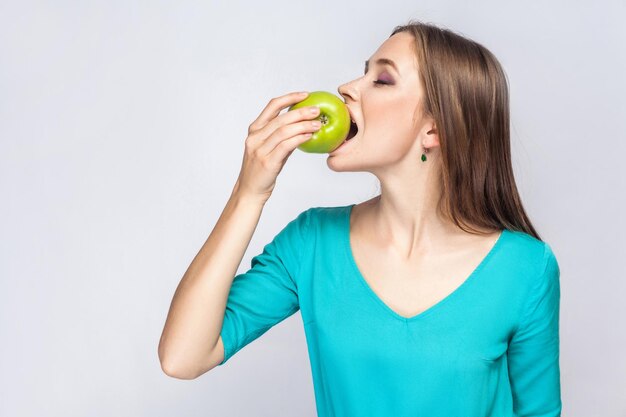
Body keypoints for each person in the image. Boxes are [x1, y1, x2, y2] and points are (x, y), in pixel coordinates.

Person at [158, 19, 562, 417]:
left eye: (381, 80)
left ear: (434, 129)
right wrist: (249, 193)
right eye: (362, 74)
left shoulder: (526, 268)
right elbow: (183, 356)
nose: (346, 88)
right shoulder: (312, 241)